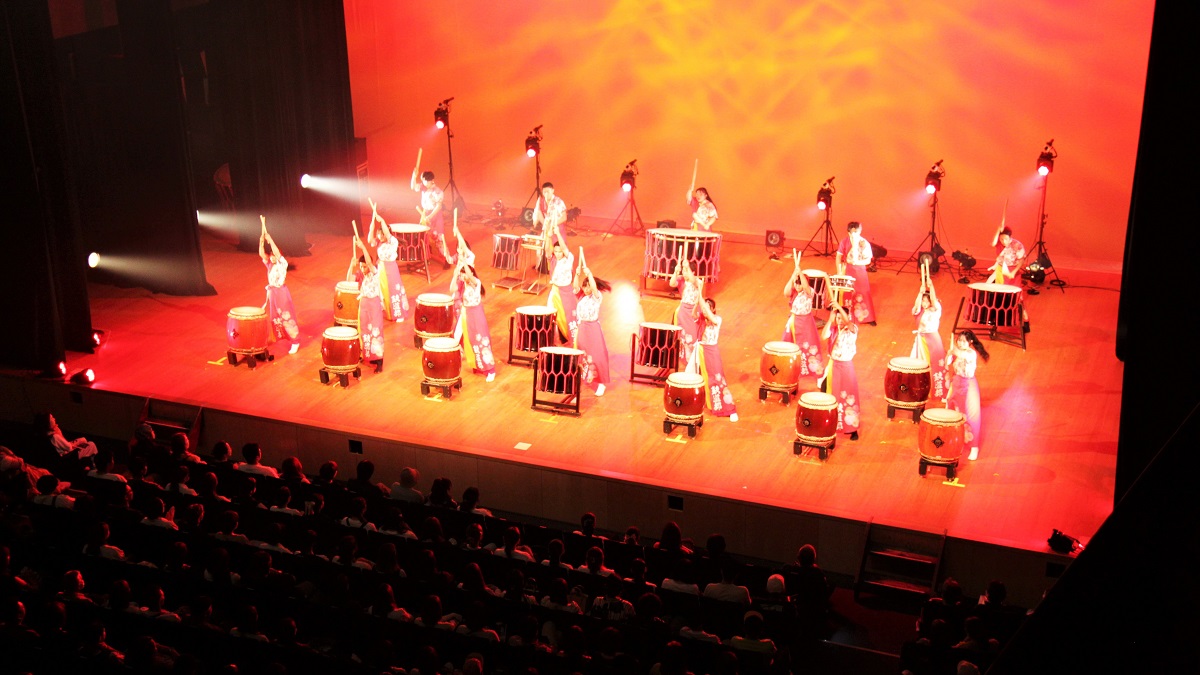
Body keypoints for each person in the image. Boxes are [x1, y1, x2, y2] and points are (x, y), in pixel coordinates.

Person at [258, 215, 300, 354]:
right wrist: (261, 240)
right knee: (275, 317)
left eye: (275, 255)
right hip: (273, 293)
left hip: (281, 292)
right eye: (271, 255)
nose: (272, 256)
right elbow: (261, 254)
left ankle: (295, 341)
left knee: (286, 316)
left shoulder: (283, 263)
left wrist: (271, 240)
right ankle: (282, 337)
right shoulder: (269, 264)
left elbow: (276, 252)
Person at [945, 329, 989, 460]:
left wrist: (953, 350)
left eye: (963, 341)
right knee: (952, 410)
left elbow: (961, 354)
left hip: (968, 385)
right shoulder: (957, 352)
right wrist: (949, 355)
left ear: (970, 342)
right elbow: (948, 363)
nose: (960, 343)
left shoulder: (971, 353)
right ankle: (953, 438)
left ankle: (974, 447)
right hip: (957, 383)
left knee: (971, 415)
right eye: (959, 340)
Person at [693, 296, 739, 422]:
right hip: (701, 351)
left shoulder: (717, 319)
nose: (705, 309)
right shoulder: (701, 319)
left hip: (712, 352)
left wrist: (701, 294)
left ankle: (729, 408)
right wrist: (698, 302)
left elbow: (711, 317)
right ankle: (705, 403)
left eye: (709, 307)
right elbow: (693, 314)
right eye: (704, 307)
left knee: (718, 379)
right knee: (701, 378)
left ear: (713, 309)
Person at [451, 259, 497, 382]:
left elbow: (469, 275)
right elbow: (452, 289)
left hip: (476, 314)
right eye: (462, 275)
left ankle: (490, 370)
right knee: (470, 340)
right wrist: (456, 274)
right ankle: (478, 365)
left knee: (481, 340)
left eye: (464, 274)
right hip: (467, 314)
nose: (463, 276)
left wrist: (463, 261)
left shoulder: (476, 282)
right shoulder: (462, 284)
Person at [820, 303, 860, 440]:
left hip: (847, 367)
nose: (840, 321)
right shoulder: (833, 330)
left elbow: (848, 323)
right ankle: (829, 423)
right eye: (838, 318)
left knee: (849, 397)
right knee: (829, 393)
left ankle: (852, 428)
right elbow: (823, 336)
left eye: (841, 317)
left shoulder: (852, 329)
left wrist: (839, 307)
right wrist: (831, 319)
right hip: (833, 366)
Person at [782, 251, 825, 376]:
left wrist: (800, 272)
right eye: (797, 283)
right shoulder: (794, 292)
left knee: (807, 344)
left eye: (799, 283)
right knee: (790, 343)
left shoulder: (808, 291)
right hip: (794, 321)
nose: (798, 286)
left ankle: (807, 368)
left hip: (806, 322)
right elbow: (785, 292)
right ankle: (790, 366)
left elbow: (805, 286)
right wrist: (793, 275)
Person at [368, 198, 410, 323]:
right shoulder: (378, 243)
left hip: (391, 269)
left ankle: (399, 314)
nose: (379, 236)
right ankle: (386, 310)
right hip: (381, 268)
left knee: (394, 289)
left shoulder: (393, 241)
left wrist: (381, 220)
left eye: (381, 234)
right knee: (382, 290)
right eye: (379, 234)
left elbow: (386, 231)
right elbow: (370, 237)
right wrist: (372, 220)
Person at [573, 257, 611, 397]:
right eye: (585, 286)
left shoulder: (597, 296)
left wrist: (589, 274)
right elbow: (575, 286)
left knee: (597, 355)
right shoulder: (581, 296)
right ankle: (585, 376)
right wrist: (577, 274)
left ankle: (600, 382)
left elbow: (594, 288)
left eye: (588, 286)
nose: (586, 289)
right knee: (582, 353)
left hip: (593, 329)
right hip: (582, 328)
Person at [911, 261, 948, 400]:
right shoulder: (919, 311)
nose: (925, 304)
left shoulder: (936, 311)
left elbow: (933, 298)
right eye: (923, 302)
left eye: (927, 302)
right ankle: (919, 387)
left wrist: (931, 287)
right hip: (920, 339)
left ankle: (937, 389)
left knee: (936, 363)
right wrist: (920, 292)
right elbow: (916, 306)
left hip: (932, 339)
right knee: (918, 361)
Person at [352, 234, 385, 373]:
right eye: (361, 267)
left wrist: (362, 246)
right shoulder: (362, 275)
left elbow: (369, 263)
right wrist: (351, 265)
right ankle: (366, 354)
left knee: (375, 331)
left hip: (374, 304)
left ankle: (378, 360)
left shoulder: (375, 272)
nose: (363, 269)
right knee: (364, 330)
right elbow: (348, 279)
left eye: (365, 266)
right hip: (364, 303)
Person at [835, 221, 877, 325]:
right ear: (848, 232)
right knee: (847, 293)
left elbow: (868, 260)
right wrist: (839, 272)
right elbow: (838, 257)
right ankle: (846, 317)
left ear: (859, 231)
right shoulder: (844, 242)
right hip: (847, 269)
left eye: (856, 232)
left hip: (860, 270)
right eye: (852, 233)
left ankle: (868, 318)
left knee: (864, 292)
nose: (854, 235)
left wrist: (858, 262)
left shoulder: (864, 243)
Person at [411, 168, 455, 267]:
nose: (422, 182)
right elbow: (413, 187)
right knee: (422, 236)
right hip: (425, 214)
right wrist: (414, 176)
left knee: (439, 237)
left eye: (424, 180)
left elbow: (438, 206)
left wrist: (430, 217)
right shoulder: (423, 187)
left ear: (429, 180)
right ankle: (423, 256)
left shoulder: (438, 192)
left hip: (435, 215)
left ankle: (446, 259)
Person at [543, 223, 578, 344]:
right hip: (555, 291)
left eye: (560, 252)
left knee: (568, 318)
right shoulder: (552, 259)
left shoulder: (569, 259)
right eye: (556, 251)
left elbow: (564, 248)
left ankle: (569, 340)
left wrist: (557, 233)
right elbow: (548, 250)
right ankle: (550, 341)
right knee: (550, 315)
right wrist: (548, 236)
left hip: (566, 292)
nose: (558, 254)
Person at [668, 257, 704, 369]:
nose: (684, 273)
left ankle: (694, 363)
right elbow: (671, 283)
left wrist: (687, 266)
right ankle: (684, 362)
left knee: (693, 338)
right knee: (682, 338)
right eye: (683, 270)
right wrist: (676, 271)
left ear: (693, 272)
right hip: (683, 311)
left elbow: (693, 281)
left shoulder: (698, 281)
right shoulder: (681, 279)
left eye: (686, 270)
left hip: (693, 312)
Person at [686, 163, 718, 231]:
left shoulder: (709, 205)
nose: (698, 196)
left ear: (706, 195)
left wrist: (707, 224)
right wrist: (690, 190)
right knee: (694, 215)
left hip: (705, 228)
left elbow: (714, 217)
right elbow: (688, 198)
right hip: (696, 227)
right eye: (697, 194)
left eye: (700, 194)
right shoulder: (695, 201)